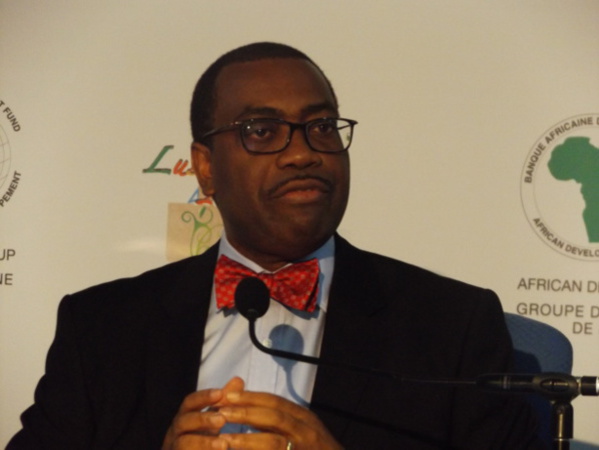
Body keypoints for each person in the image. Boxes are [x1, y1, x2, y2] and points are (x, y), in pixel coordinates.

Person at [8, 42, 544, 450]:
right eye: (262, 131)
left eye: (321, 127)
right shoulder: (102, 328)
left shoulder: (451, 325)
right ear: (205, 168)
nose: (302, 153)